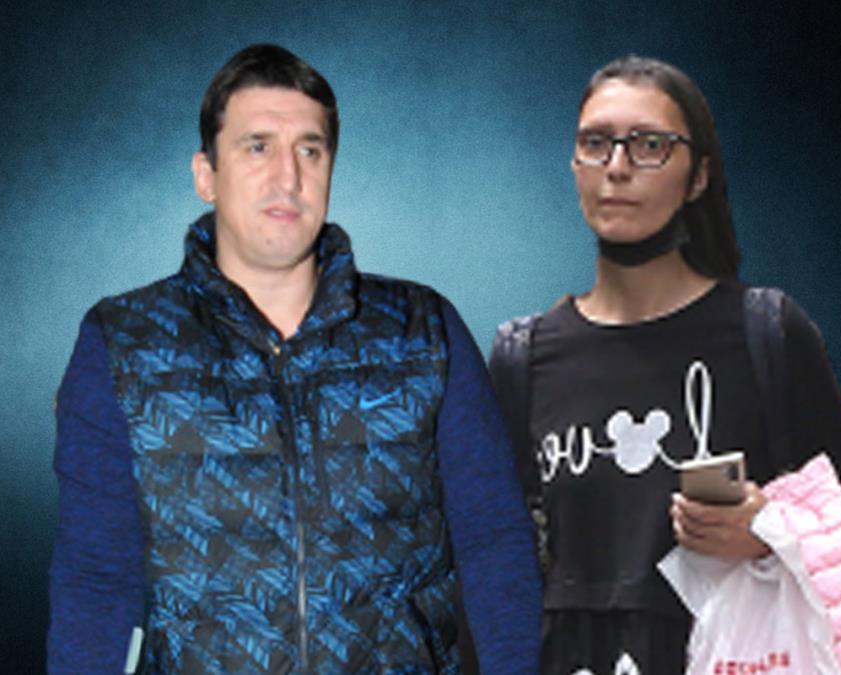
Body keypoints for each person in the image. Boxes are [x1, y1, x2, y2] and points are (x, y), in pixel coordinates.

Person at [47, 43, 542, 674]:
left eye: (310, 150)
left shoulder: (423, 330)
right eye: (257, 147)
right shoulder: (124, 343)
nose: (288, 177)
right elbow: (95, 579)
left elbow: (494, 543)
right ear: (206, 175)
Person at [488, 56, 841, 674]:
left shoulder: (767, 332)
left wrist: (769, 534)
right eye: (595, 143)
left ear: (698, 176)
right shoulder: (523, 357)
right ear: (574, 164)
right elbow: (495, 566)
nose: (617, 166)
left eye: (650, 145)